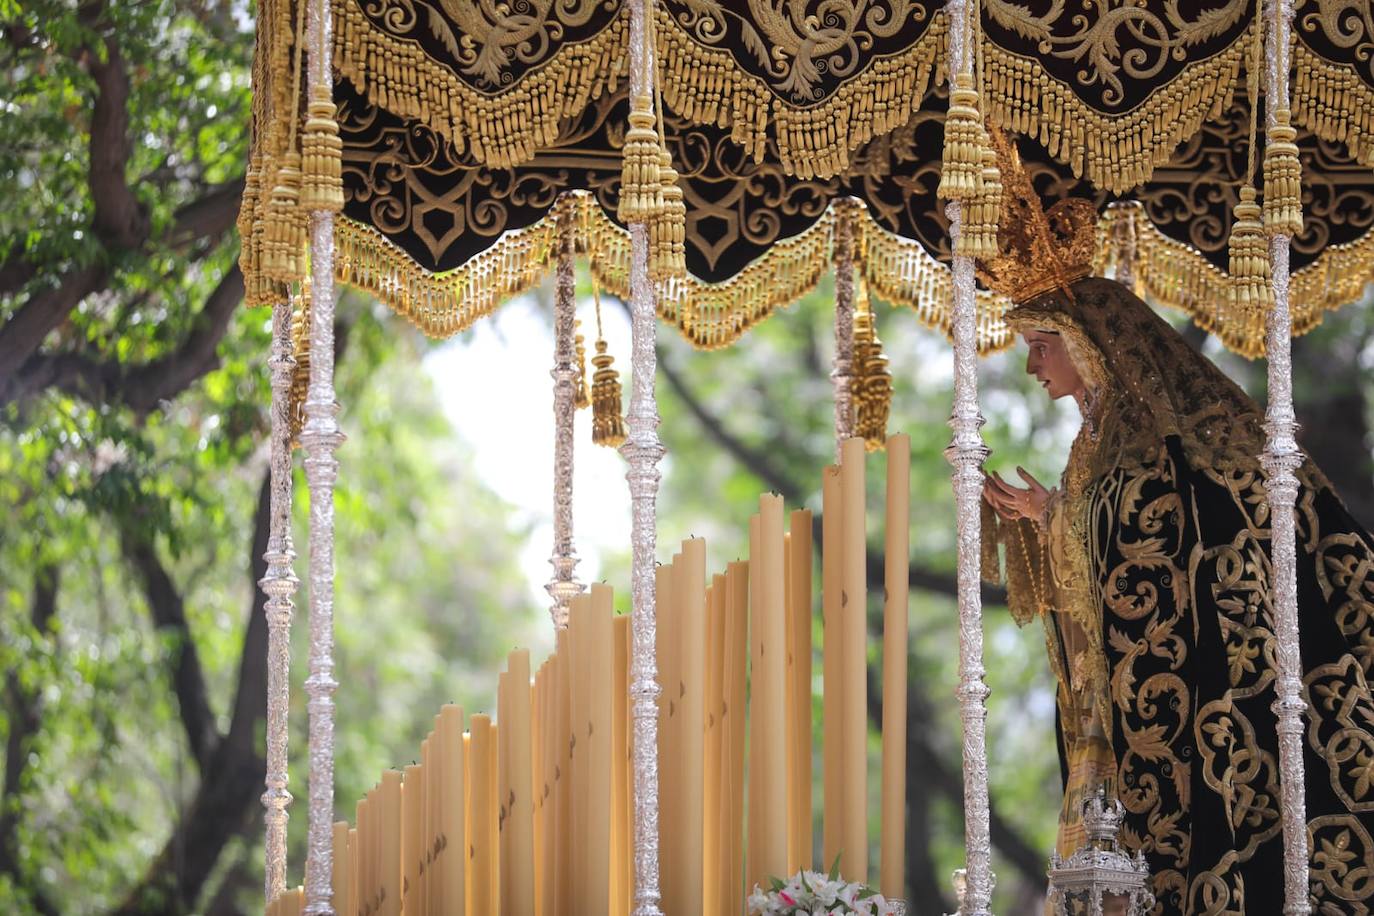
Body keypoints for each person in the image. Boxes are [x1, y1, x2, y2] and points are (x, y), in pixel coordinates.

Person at [976, 130, 1374, 915]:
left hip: (1193, 697)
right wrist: (1050, 517)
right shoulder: (1101, 443)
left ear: (1089, 346)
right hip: (1111, 708)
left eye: (1041, 345)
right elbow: (1110, 544)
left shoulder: (1152, 442)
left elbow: (1157, 543)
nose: (1033, 366)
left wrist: (1060, 519)